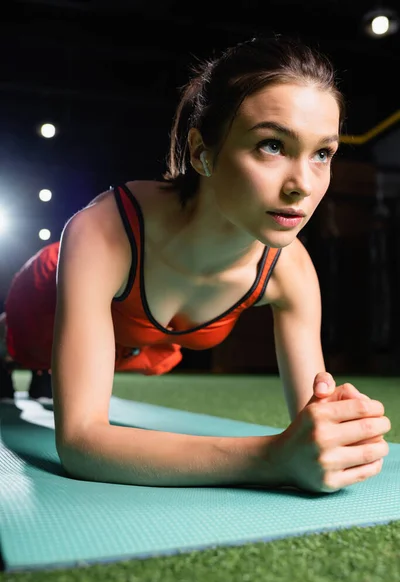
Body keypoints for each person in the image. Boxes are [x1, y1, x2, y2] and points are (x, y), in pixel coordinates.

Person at [0, 35, 391, 493]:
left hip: (140, 346)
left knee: (135, 361)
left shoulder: (291, 271)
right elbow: (82, 442)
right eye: (271, 145)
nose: (302, 185)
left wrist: (338, 430)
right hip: (46, 297)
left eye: (322, 153)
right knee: (20, 349)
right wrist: (271, 458)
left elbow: (313, 415)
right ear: (202, 151)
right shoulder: (100, 232)